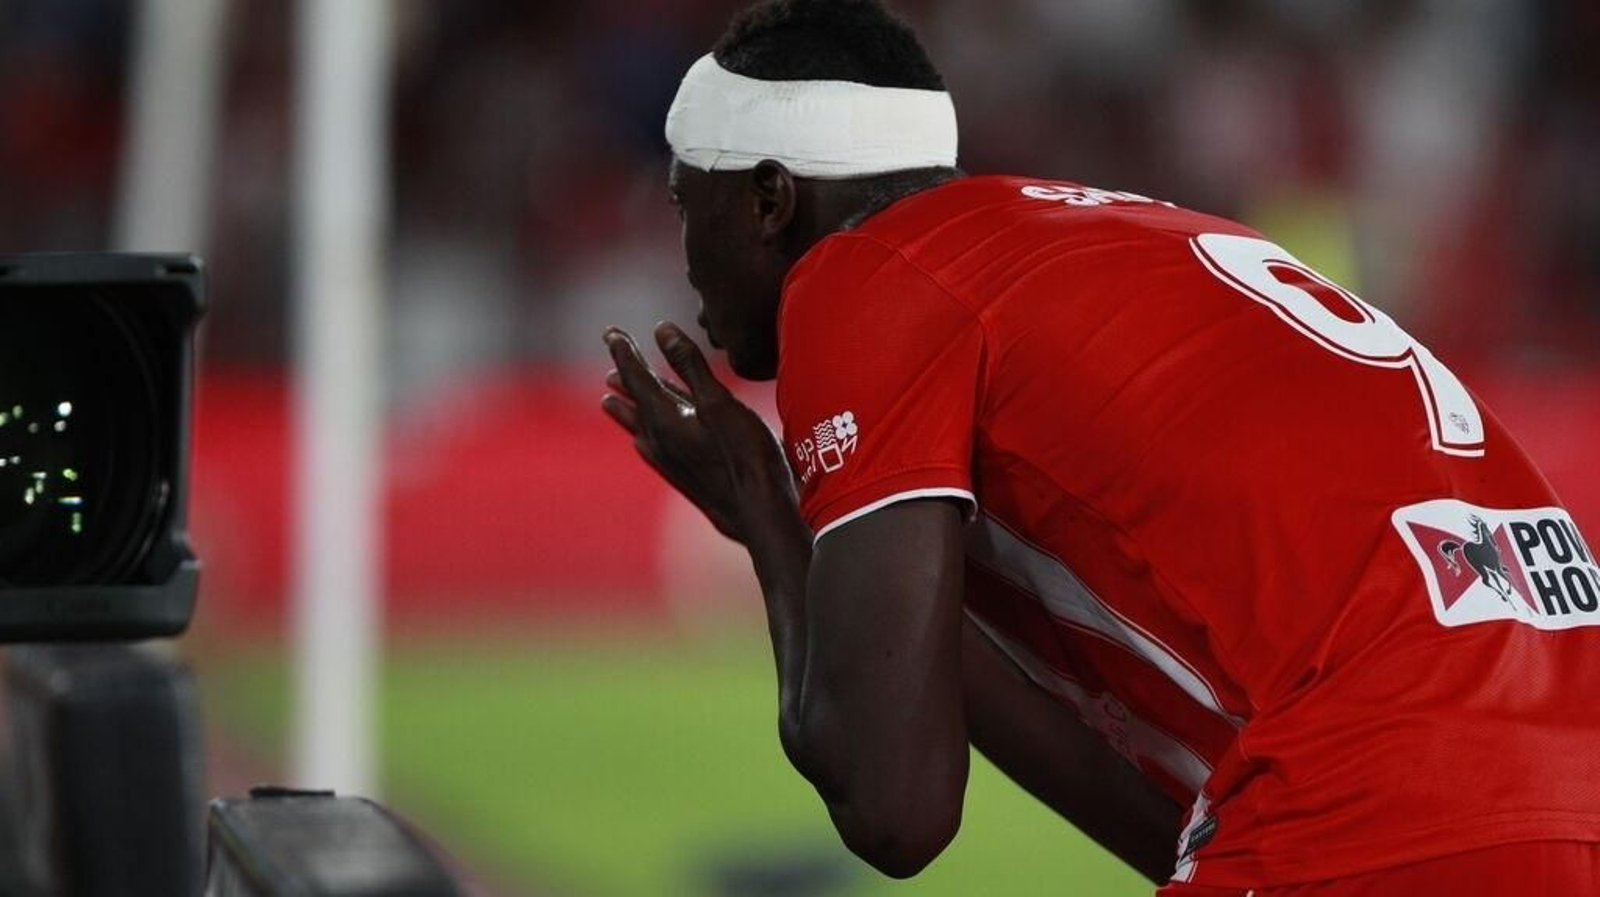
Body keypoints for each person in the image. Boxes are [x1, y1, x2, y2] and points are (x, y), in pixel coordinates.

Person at [599, 1, 1600, 893]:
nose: (681, 254)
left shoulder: (862, 275)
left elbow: (892, 810)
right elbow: (1178, 825)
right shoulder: (1089, 245)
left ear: (772, 200)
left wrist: (766, 520)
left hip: (1372, 784)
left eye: (689, 205)